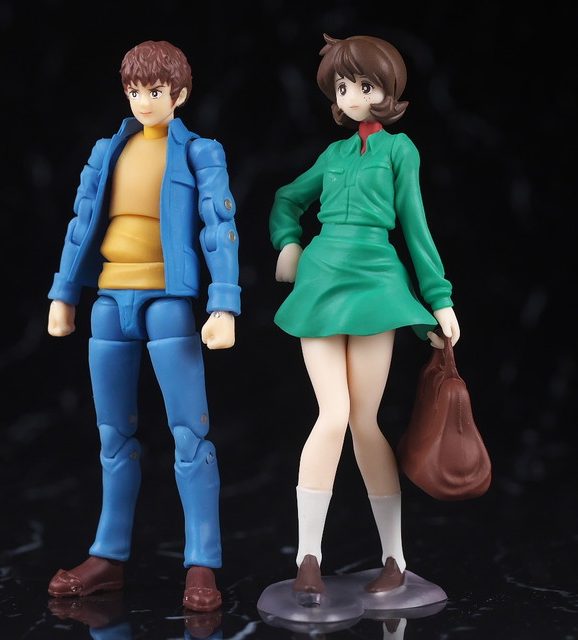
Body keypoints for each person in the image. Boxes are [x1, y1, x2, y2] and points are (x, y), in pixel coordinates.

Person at [46, 40, 240, 612]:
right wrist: (64, 293)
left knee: (190, 436)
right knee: (113, 437)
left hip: (167, 299)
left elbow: (218, 227)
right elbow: (82, 221)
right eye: (134, 91)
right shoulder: (109, 150)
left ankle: (202, 561)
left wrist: (224, 303)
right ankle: (108, 556)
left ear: (179, 94)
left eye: (154, 91)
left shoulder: (199, 152)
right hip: (110, 297)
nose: (143, 101)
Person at [269, 34, 460, 598]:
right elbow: (287, 198)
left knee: (364, 422)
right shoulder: (332, 156)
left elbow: (415, 225)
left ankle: (395, 558)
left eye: (364, 85)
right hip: (321, 281)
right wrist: (289, 243)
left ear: (387, 89)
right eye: (343, 87)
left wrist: (440, 297)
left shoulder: (400, 151)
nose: (352, 96)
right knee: (331, 414)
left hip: (376, 282)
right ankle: (308, 557)